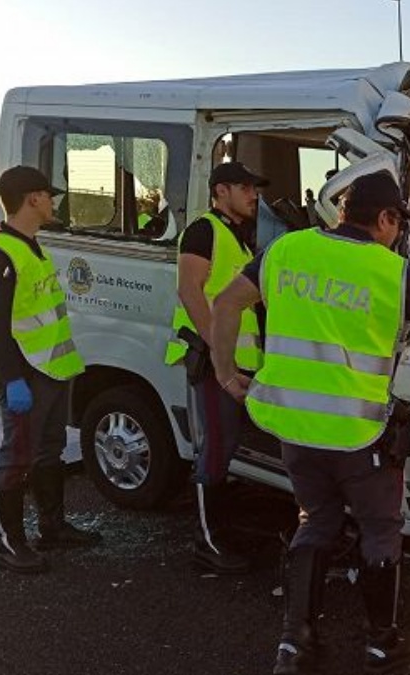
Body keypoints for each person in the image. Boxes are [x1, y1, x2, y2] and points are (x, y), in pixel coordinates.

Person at [209, 172, 410, 675]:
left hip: (294, 426)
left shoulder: (286, 250)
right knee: (379, 528)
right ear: (386, 219)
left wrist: (226, 375)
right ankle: (379, 645)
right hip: (358, 433)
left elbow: (224, 304)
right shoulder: (387, 270)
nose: (399, 235)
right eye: (399, 224)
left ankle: (295, 644)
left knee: (316, 520)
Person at [0, 166, 101, 574]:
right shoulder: (0, 253)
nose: (53, 202)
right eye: (49, 195)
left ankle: (52, 527)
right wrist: (12, 380)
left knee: (49, 449)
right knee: (17, 455)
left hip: (48, 369)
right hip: (23, 373)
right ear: (32, 199)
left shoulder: (28, 246)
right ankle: (8, 544)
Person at [163, 161, 268, 575]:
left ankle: (218, 530)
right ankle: (206, 542)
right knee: (216, 447)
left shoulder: (236, 236)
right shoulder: (204, 230)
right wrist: (218, 353)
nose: (253, 195)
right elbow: (189, 290)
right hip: (213, 363)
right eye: (245, 187)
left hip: (235, 362)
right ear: (221, 191)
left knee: (226, 447)